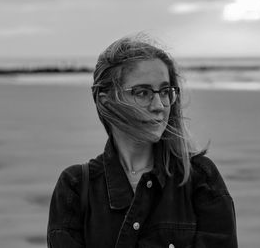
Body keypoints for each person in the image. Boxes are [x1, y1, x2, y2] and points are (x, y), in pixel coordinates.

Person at [47, 35, 238, 248]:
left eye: (165, 91)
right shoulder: (75, 187)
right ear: (106, 99)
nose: (159, 105)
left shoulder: (200, 178)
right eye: (142, 92)